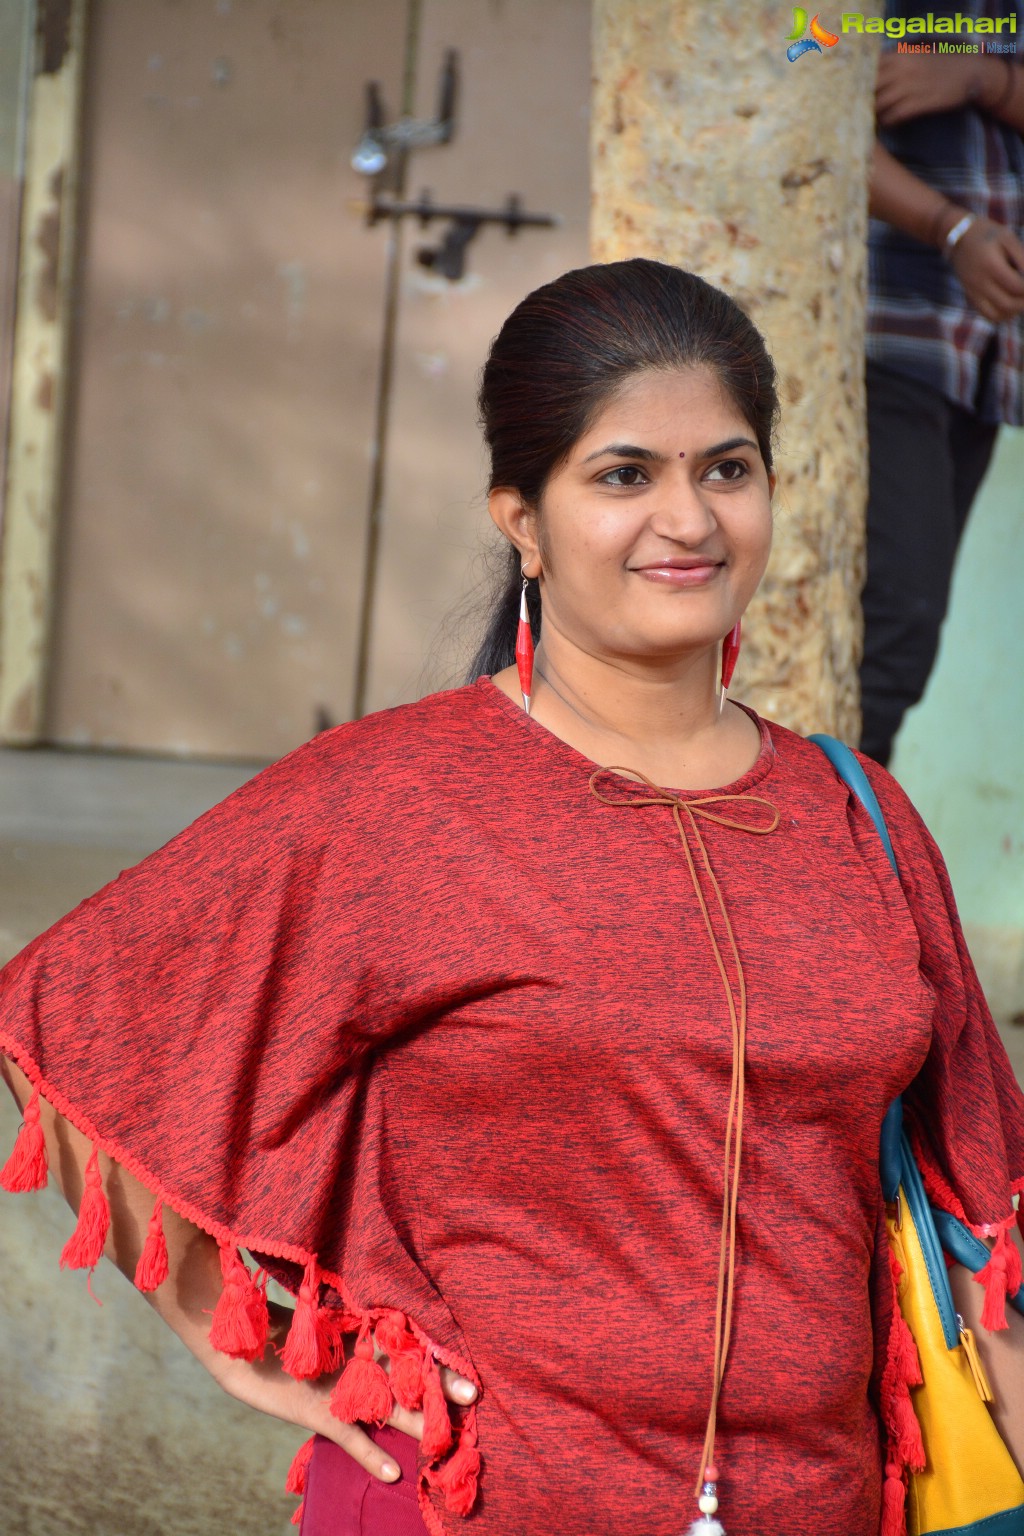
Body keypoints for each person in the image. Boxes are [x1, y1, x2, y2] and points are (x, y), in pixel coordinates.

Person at [1, 259, 1022, 1536]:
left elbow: (977, 1184)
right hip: (473, 1500)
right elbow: (76, 1009)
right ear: (520, 519)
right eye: (622, 475)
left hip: (820, 1502)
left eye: (726, 468)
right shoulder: (399, 797)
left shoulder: (854, 813)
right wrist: (225, 1330)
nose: (689, 520)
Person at [861, 0, 1024, 765]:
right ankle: (822, 860)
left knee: (903, 638)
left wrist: (983, 77)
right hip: (890, 335)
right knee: (893, 628)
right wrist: (949, 228)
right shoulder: (881, 12)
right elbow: (787, 92)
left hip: (986, 359)